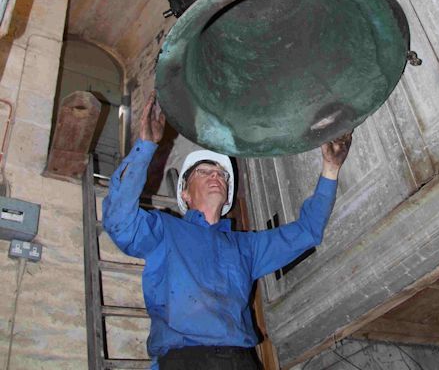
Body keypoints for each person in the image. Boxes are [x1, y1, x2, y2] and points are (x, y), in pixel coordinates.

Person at [103, 92, 353, 370]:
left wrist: (331, 169)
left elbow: (308, 231)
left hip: (241, 361)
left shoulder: (246, 247)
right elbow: (119, 220)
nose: (216, 176)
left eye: (222, 174)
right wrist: (145, 146)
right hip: (185, 361)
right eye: (204, 171)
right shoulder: (163, 232)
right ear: (184, 194)